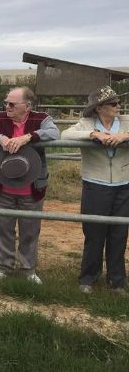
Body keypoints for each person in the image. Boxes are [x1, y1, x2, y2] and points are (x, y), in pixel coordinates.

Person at [0, 87, 59, 284]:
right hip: (1, 185)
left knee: (30, 230)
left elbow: (54, 133)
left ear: (27, 106)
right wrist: (0, 137)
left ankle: (28, 270)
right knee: (2, 227)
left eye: (12, 104)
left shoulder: (42, 119)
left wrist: (28, 137)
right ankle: (4, 267)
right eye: (6, 103)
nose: (7, 107)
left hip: (33, 187)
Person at [62, 86, 129, 295]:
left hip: (123, 185)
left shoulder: (126, 121)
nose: (119, 107)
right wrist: (93, 134)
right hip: (95, 185)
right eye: (113, 104)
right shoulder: (86, 123)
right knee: (94, 233)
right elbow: (65, 135)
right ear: (99, 108)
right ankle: (88, 278)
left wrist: (124, 136)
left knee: (119, 234)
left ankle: (117, 282)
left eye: (119, 103)